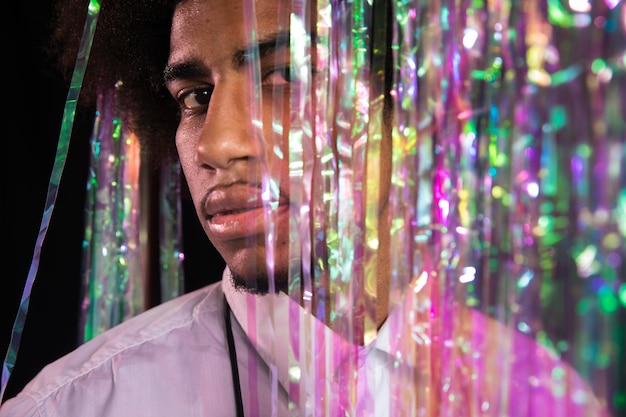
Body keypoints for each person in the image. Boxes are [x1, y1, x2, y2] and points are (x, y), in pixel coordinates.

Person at [0, 0, 615, 416]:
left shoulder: (536, 394)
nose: (217, 143)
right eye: (195, 96)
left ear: (411, 104)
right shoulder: (80, 405)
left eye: (285, 76)